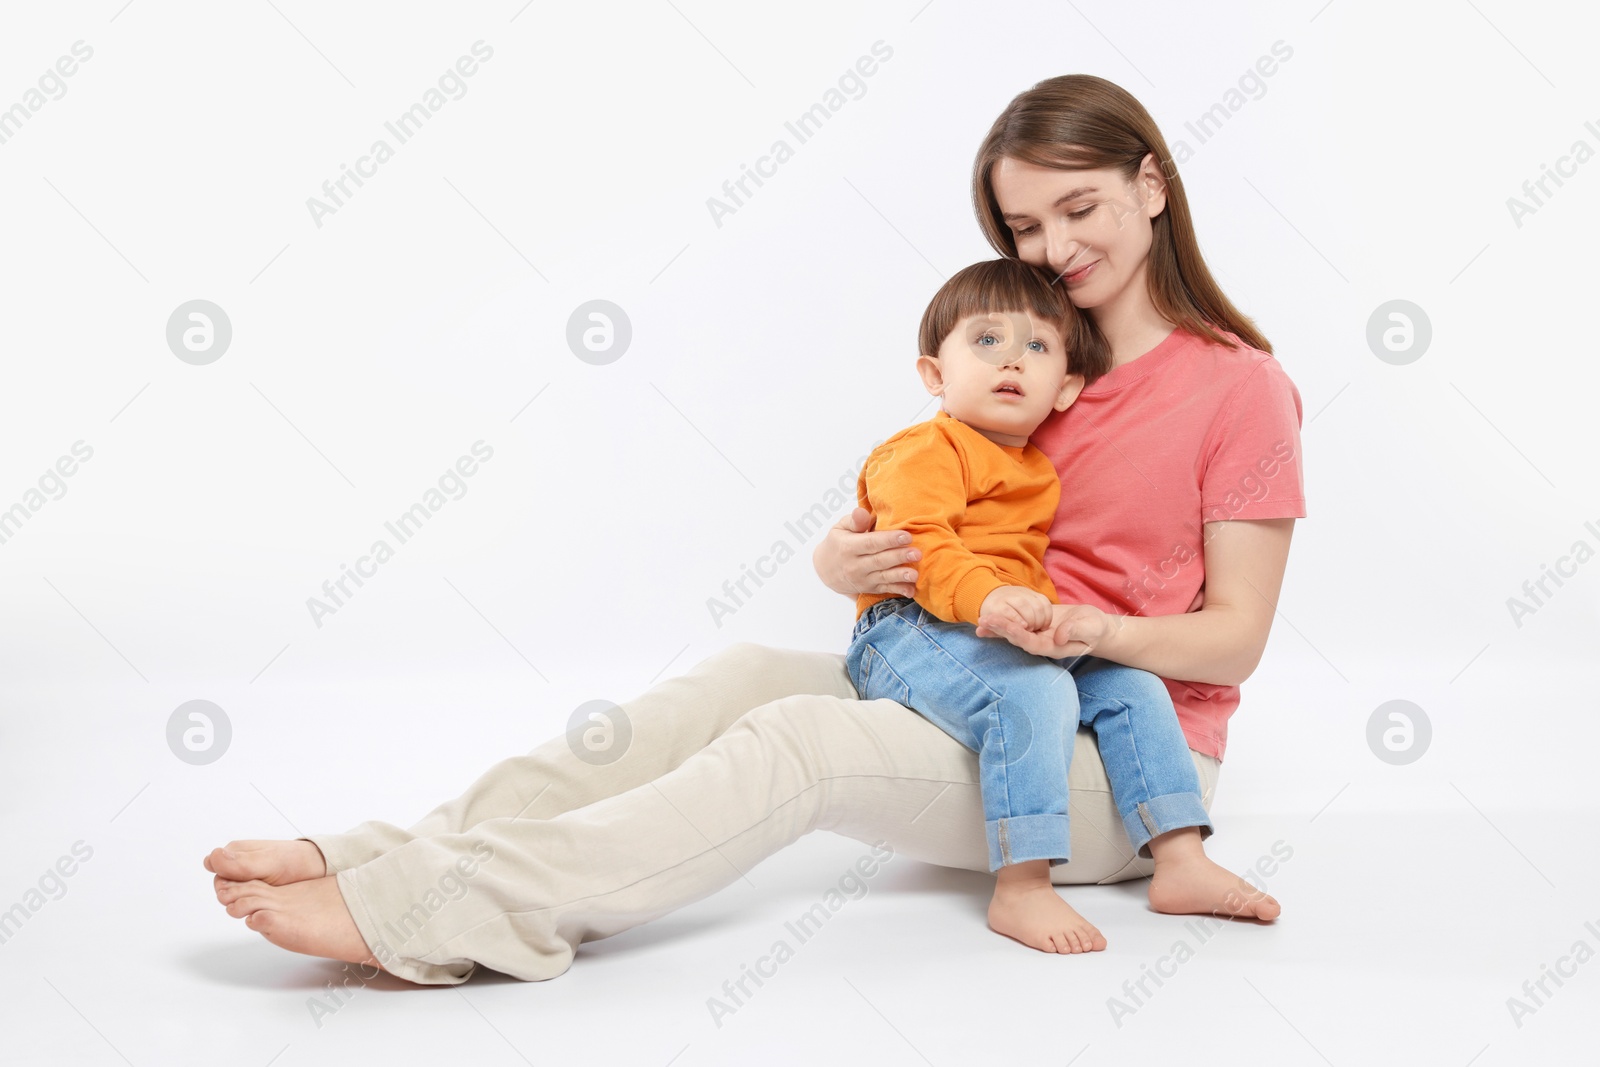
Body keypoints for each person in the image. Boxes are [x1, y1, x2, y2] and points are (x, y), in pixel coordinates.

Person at [205, 73, 1303, 986]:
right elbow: (940, 525)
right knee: (737, 677)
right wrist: (848, 561)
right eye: (1022, 225)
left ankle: (444, 916)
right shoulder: (1017, 363)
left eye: (1079, 209)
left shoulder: (1237, 386)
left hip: (1119, 769)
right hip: (976, 673)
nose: (1054, 247)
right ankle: (389, 856)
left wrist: (1077, 629)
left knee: (802, 745)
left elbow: (1234, 637)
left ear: (1151, 183)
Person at [846, 256, 1242, 955]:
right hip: (906, 628)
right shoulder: (923, 449)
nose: (1012, 360)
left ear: (1065, 389)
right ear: (936, 375)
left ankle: (1180, 859)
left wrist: (1046, 618)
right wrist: (995, 597)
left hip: (991, 628)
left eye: (1036, 347)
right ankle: (1022, 884)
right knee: (1034, 696)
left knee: (1132, 685)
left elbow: (1022, 567)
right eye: (986, 341)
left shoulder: (1034, 467)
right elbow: (922, 548)